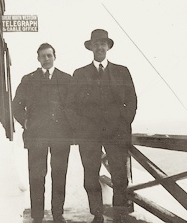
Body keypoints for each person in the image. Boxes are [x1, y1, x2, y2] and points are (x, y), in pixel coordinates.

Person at [66, 29, 137, 223]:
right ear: (91, 47)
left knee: (120, 177)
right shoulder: (80, 74)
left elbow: (131, 101)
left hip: (117, 135)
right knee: (91, 176)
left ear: (108, 46)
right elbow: (70, 106)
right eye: (96, 43)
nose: (99, 47)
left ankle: (119, 215)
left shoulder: (122, 71)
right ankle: (97, 215)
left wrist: (122, 124)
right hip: (89, 136)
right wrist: (82, 128)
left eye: (103, 43)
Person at [12, 43, 73, 223]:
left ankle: (58, 214)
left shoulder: (67, 79)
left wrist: (70, 127)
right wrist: (26, 121)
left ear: (55, 57)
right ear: (38, 58)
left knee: (59, 174)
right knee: (37, 176)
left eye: (49, 56)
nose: (46, 59)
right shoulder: (28, 79)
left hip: (61, 136)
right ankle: (37, 216)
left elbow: (75, 106)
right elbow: (16, 106)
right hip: (36, 136)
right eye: (43, 56)